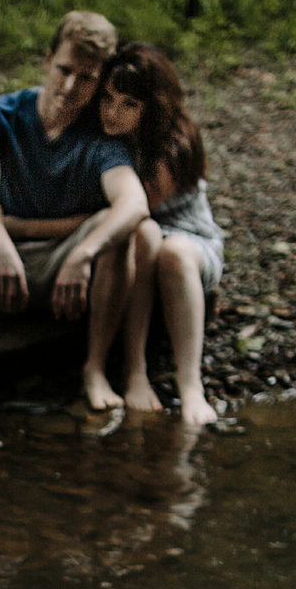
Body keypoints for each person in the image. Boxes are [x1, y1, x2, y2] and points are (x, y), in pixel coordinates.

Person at [0, 12, 153, 424]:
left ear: (99, 80)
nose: (69, 87)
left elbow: (134, 204)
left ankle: (94, 370)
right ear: (47, 60)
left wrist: (84, 254)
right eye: (64, 70)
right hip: (5, 257)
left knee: (121, 232)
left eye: (85, 78)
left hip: (67, 263)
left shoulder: (100, 135)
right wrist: (1, 245)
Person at [94, 43, 226, 427]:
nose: (112, 113)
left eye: (128, 104)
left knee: (168, 249)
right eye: (107, 98)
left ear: (152, 107)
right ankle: (133, 370)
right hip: (140, 238)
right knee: (146, 237)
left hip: (190, 242)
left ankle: (191, 386)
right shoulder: (103, 135)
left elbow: (134, 210)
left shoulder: (171, 147)